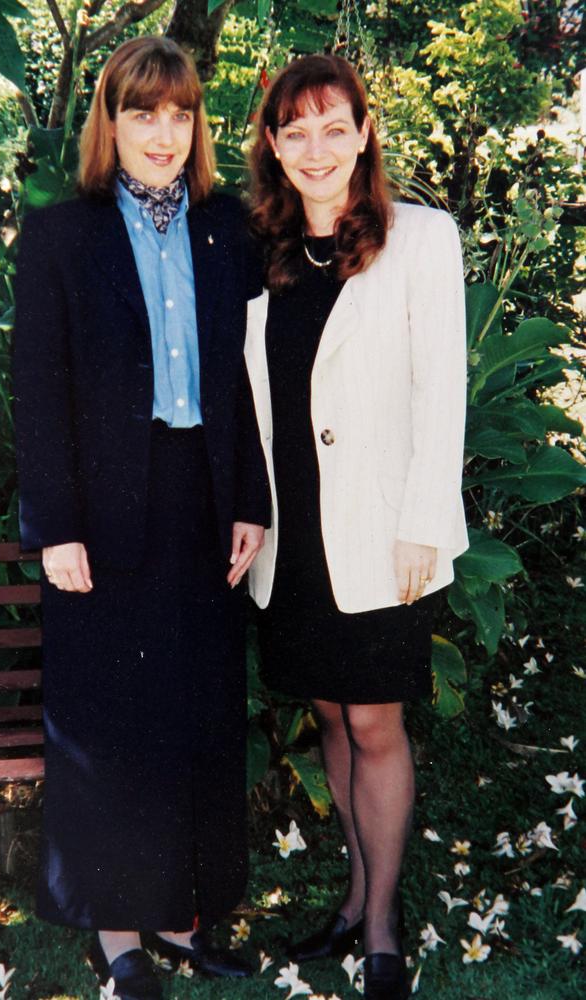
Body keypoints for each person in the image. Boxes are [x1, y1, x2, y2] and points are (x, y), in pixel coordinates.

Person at [12, 36, 270, 1000]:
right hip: (99, 511)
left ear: (197, 124)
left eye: (179, 113)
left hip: (202, 500)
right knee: (108, 717)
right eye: (141, 113)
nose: (163, 133)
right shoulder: (60, 235)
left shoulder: (230, 229)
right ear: (109, 123)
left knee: (195, 715)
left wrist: (251, 503)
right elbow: (36, 391)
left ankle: (178, 911)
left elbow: (249, 390)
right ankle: (115, 930)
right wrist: (56, 525)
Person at [245, 54, 468, 1000]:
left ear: (367, 132)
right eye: (294, 131)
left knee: (374, 717)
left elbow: (442, 389)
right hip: (294, 530)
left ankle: (381, 924)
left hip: (382, 530)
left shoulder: (422, 237)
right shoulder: (262, 250)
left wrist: (425, 523)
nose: (316, 148)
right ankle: (351, 891)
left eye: (335, 126)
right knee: (329, 710)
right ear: (271, 146)